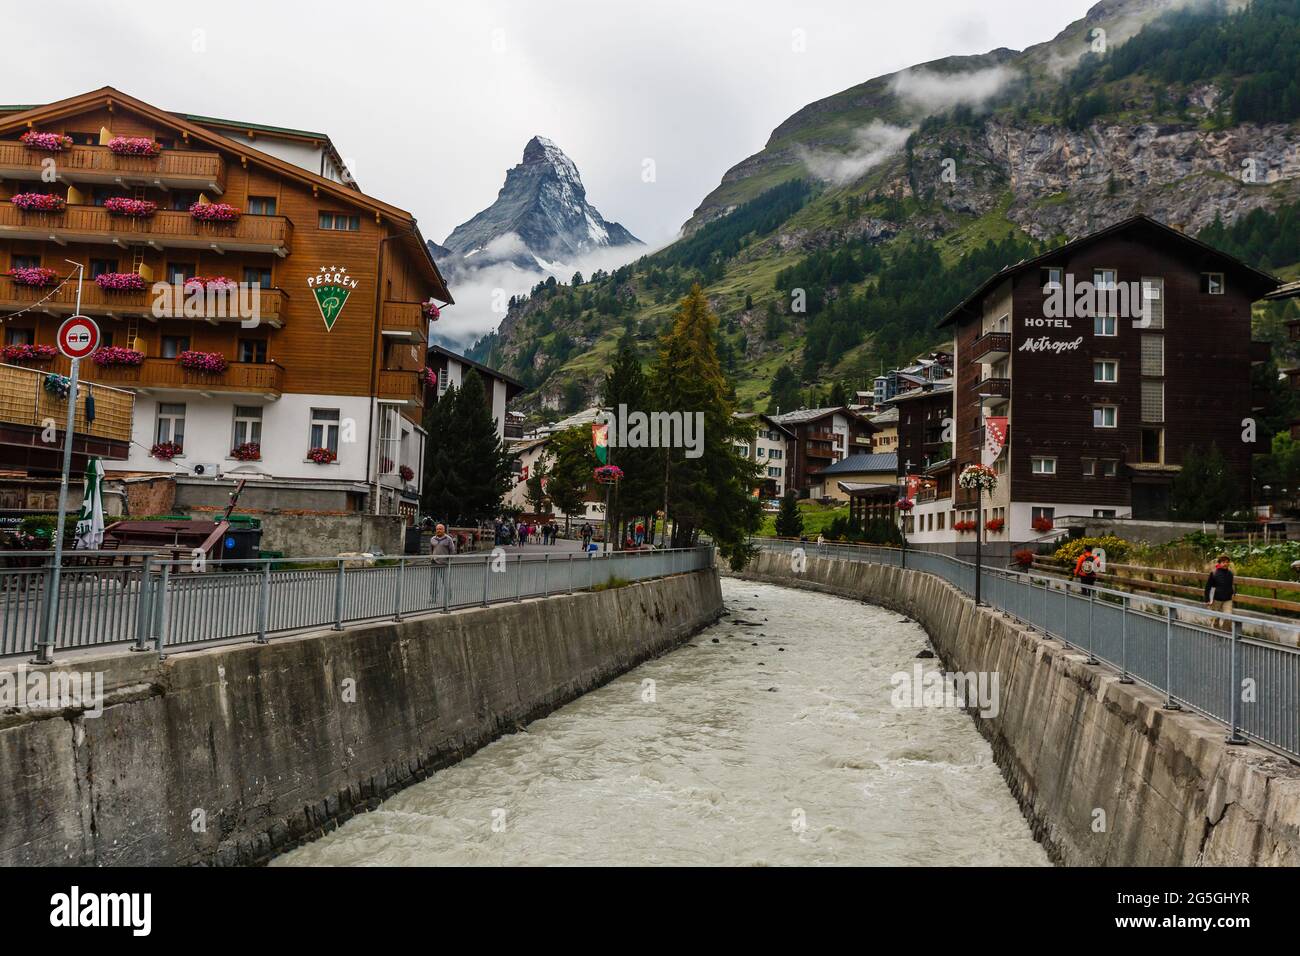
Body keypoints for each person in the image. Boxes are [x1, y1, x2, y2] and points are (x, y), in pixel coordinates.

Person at [1205, 554, 1235, 622]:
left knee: (1228, 618)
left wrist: (1232, 592)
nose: (1225, 564)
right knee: (1215, 620)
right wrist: (1207, 599)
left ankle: (1226, 632)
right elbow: (1208, 586)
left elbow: (1231, 585)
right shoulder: (1214, 573)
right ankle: (1214, 632)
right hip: (1216, 599)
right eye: (1223, 562)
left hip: (1228, 599)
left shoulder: (1230, 573)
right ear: (1219, 563)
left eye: (1227, 562)